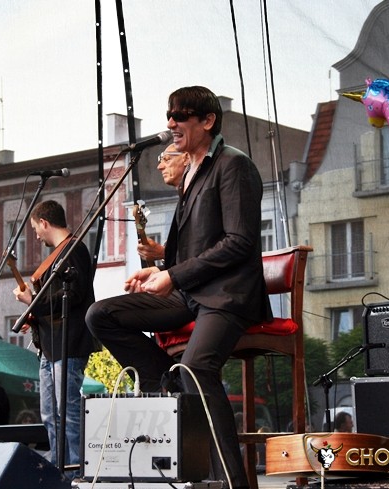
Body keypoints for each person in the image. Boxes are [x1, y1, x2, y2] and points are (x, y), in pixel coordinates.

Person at [86, 86, 270, 489]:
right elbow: (193, 246)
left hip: (227, 295)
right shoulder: (190, 171)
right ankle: (164, 382)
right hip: (191, 293)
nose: (171, 123)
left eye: (181, 115)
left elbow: (239, 242)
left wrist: (172, 275)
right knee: (101, 315)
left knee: (198, 368)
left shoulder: (233, 165)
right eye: (169, 115)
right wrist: (160, 270)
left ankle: (232, 482)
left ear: (208, 120)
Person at [13, 200, 98, 477]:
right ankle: (60, 471)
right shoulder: (61, 254)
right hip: (51, 346)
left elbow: (72, 297)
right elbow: (57, 303)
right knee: (50, 415)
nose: (36, 235)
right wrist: (34, 315)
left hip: (68, 344)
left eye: (35, 228)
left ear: (44, 223)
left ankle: (75, 473)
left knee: (68, 413)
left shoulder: (74, 251)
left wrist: (32, 302)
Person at [137, 143, 189, 264]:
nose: (160, 167)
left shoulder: (198, 199)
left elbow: (200, 253)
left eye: (167, 159)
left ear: (186, 158)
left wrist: (163, 253)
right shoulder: (183, 201)